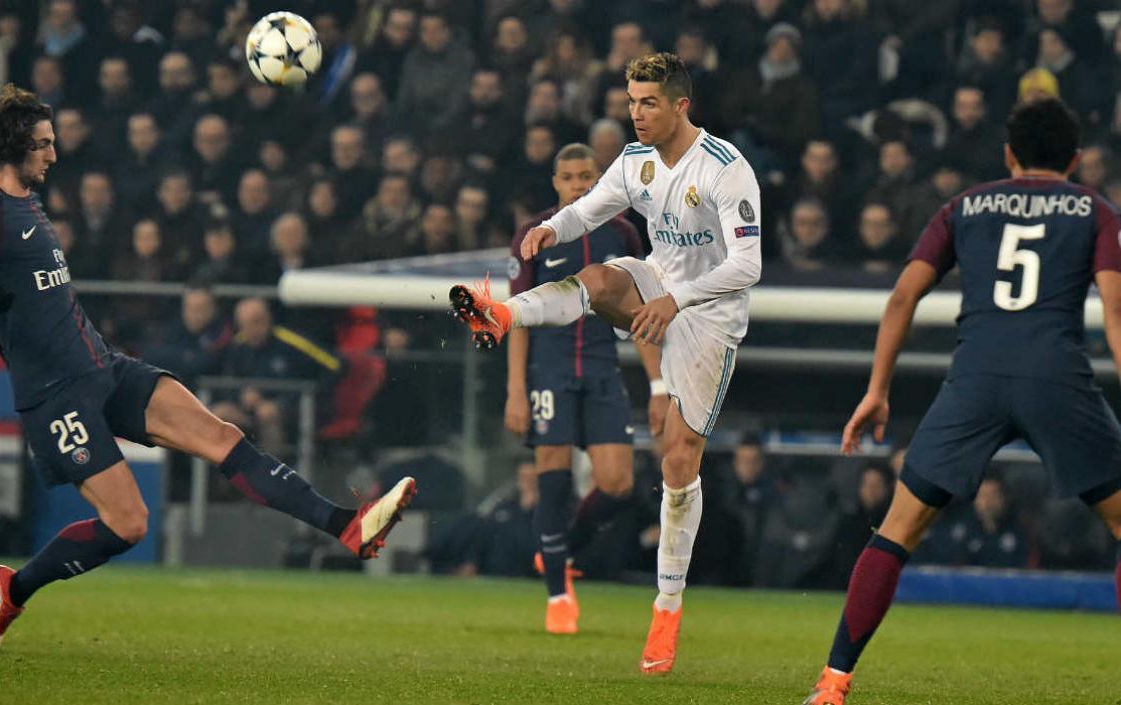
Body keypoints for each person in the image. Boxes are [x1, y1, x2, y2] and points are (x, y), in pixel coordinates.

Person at [0, 85, 417, 653]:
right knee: (129, 525)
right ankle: (14, 587)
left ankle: (348, 526)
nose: (53, 155)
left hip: (102, 366)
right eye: (43, 144)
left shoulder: (28, 204)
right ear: (15, 145)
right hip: (55, 394)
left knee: (222, 437)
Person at [450, 53, 761, 674]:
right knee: (598, 276)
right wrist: (549, 231)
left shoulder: (726, 169)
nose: (636, 114)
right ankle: (504, 314)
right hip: (656, 288)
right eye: (631, 101)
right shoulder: (634, 161)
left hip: (708, 318)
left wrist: (678, 301)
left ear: (680, 105)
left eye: (649, 103)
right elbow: (588, 210)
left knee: (678, 463)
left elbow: (747, 266)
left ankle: (666, 610)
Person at [803, 98, 1121, 704]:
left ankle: (833, 681)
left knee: (898, 529)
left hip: (975, 378)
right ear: (1076, 161)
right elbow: (1116, 312)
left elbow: (902, 298)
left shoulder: (964, 206)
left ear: (1008, 154)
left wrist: (877, 390)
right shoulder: (1095, 211)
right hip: (1056, 377)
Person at [504, 142, 665, 635]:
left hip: (601, 369)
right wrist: (515, 390)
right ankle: (557, 594)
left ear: (599, 179)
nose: (578, 183)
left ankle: (559, 549)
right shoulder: (535, 237)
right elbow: (518, 319)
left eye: (586, 176)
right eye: (569, 176)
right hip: (549, 372)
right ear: (556, 183)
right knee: (551, 472)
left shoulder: (622, 234)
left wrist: (659, 386)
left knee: (618, 483)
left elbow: (642, 313)